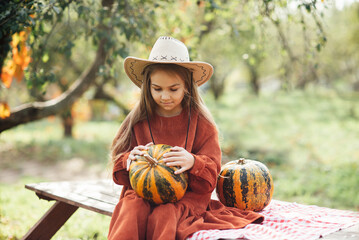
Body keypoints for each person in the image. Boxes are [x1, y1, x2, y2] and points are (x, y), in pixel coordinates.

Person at [108, 36, 264, 240]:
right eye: (157, 89)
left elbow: (211, 176)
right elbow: (118, 166)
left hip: (187, 197)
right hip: (142, 192)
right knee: (132, 208)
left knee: (165, 215)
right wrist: (128, 160)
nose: (165, 96)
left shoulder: (202, 124)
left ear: (187, 87)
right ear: (148, 86)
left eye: (173, 89)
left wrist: (193, 162)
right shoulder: (137, 120)